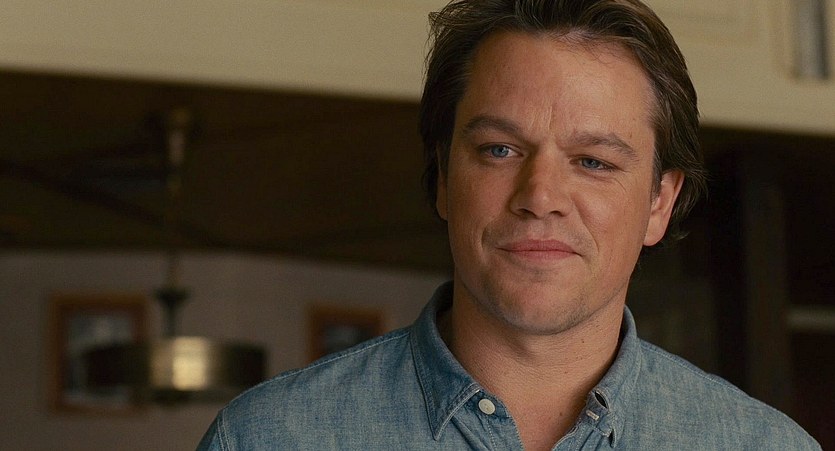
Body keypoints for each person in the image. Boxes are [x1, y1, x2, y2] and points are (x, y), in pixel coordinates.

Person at [197, 0, 821, 449]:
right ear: (444, 179)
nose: (540, 197)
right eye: (500, 150)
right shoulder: (267, 438)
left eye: (593, 161)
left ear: (660, 202)